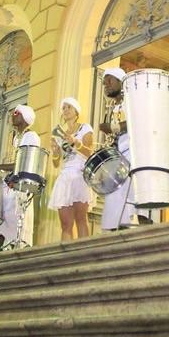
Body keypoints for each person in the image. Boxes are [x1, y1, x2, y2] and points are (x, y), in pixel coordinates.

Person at [0, 105, 41, 253]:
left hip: (21, 185)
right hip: (11, 183)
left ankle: (11, 254)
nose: (12, 115)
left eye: (16, 113)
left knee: (13, 222)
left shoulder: (30, 136)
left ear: (25, 117)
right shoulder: (18, 137)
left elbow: (23, 163)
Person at [48, 98, 95, 240]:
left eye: (69, 107)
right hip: (65, 177)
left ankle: (84, 255)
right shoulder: (60, 134)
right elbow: (56, 164)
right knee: (65, 224)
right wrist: (56, 153)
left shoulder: (85, 128)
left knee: (81, 219)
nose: (66, 110)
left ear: (76, 111)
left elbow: (89, 153)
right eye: (63, 108)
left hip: (79, 175)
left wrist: (75, 142)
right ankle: (66, 259)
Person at [97, 69, 137, 231]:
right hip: (117, 161)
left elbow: (136, 120)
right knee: (113, 208)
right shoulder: (113, 107)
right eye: (104, 82)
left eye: (110, 81)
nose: (106, 85)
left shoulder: (132, 100)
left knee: (129, 206)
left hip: (132, 157)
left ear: (121, 82)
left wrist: (112, 127)